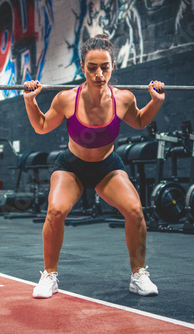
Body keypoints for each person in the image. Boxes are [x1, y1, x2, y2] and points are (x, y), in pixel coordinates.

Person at [23, 34, 165, 299]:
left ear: (113, 66)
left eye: (105, 67)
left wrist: (155, 101)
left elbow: (141, 121)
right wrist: (30, 101)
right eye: (92, 68)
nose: (99, 74)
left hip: (107, 167)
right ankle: (49, 275)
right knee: (55, 211)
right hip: (71, 167)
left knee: (135, 210)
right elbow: (41, 126)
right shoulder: (66, 98)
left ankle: (138, 275)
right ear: (82, 66)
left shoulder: (123, 98)